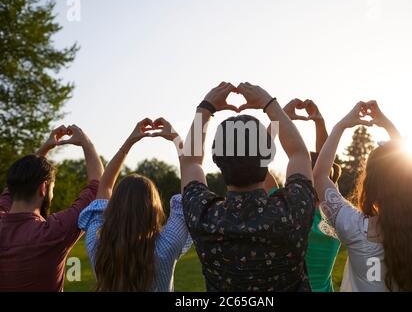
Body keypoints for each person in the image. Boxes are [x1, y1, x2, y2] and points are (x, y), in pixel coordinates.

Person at [181, 82, 316, 292]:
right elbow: (299, 154)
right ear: (269, 154)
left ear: (216, 158)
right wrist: (269, 104)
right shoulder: (291, 211)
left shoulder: (203, 216)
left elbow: (191, 163)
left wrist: (205, 109)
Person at [313, 100, 412, 292]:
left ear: (372, 186)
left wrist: (341, 126)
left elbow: (319, 176)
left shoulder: (355, 229)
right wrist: (387, 125)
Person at [78, 118, 192, 291]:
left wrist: (130, 142)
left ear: (114, 206)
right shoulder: (166, 246)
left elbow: (105, 185)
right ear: (154, 210)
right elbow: (190, 192)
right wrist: (177, 140)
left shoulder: (96, 245)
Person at [0, 125, 103, 291]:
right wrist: (86, 142)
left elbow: (15, 185)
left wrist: (46, 147)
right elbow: (97, 188)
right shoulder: (53, 233)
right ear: (43, 188)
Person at [268, 98, 341, 292]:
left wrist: (278, 118)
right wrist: (320, 123)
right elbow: (326, 168)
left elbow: (257, 160)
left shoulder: (283, 210)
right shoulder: (335, 215)